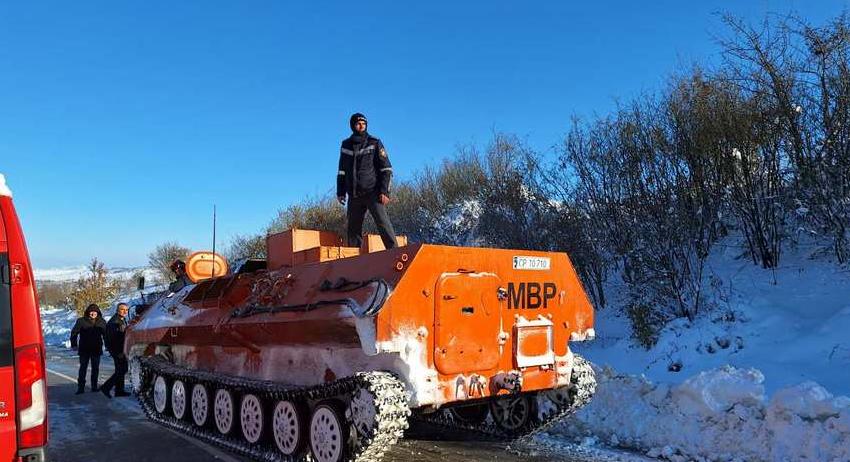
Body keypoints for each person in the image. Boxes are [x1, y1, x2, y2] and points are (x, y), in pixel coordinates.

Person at [336, 112, 398, 249]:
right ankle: (353, 259)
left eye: (364, 124)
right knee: (353, 230)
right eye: (358, 123)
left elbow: (386, 169)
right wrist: (340, 192)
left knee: (383, 223)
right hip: (354, 194)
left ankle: (394, 251)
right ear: (353, 125)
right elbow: (341, 171)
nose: (361, 126)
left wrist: (384, 191)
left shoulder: (374, 142)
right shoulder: (345, 145)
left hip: (373, 192)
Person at [69, 304, 107, 394]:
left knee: (95, 368)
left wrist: (108, 345)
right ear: (88, 312)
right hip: (84, 349)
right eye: (91, 312)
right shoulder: (81, 321)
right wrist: (74, 344)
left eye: (95, 312)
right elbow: (74, 333)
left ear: (98, 313)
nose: (93, 313)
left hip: (96, 349)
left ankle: (94, 386)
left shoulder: (101, 322)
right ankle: (80, 388)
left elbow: (106, 335)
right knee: (83, 368)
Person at [101, 303, 131, 398]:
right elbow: (112, 339)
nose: (125, 311)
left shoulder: (122, 320)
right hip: (117, 350)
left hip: (121, 349)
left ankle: (119, 390)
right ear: (118, 310)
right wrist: (118, 352)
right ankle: (106, 387)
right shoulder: (114, 322)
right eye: (122, 309)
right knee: (122, 370)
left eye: (126, 310)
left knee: (120, 370)